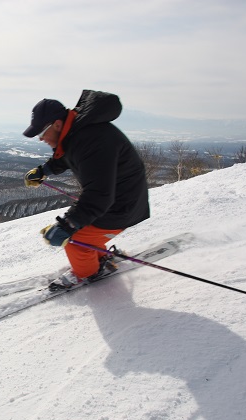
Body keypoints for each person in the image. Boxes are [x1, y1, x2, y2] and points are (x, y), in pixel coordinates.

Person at [22, 90, 150, 290]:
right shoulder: (78, 132)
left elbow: (99, 194)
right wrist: (44, 170)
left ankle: (88, 272)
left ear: (57, 124)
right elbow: (67, 155)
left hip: (122, 204)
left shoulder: (91, 140)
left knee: (74, 240)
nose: (40, 139)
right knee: (84, 229)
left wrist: (68, 225)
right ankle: (100, 258)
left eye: (41, 133)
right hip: (119, 198)